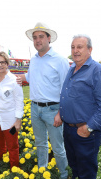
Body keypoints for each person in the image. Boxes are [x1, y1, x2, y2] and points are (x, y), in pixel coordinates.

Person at [60, 34, 101, 179]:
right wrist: (60, 112)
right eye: (73, 47)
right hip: (69, 130)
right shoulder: (72, 68)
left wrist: (89, 127)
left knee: (87, 173)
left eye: (80, 47)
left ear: (90, 50)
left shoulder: (97, 71)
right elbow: (67, 95)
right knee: (75, 168)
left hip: (85, 132)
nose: (75, 50)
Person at [19, 22, 69, 179]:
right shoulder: (33, 60)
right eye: (34, 38)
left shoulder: (60, 60)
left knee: (58, 147)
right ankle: (42, 172)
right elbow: (29, 77)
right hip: (35, 109)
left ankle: (64, 174)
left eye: (41, 37)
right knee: (40, 144)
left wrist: (61, 113)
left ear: (49, 38)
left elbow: (67, 89)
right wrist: (9, 77)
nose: (37, 40)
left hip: (53, 110)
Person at [0, 51, 24, 168]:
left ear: (7, 63)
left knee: (13, 147)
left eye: (2, 62)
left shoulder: (14, 80)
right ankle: (2, 168)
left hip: (10, 121)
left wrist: (18, 120)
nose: (0, 65)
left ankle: (14, 169)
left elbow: (19, 101)